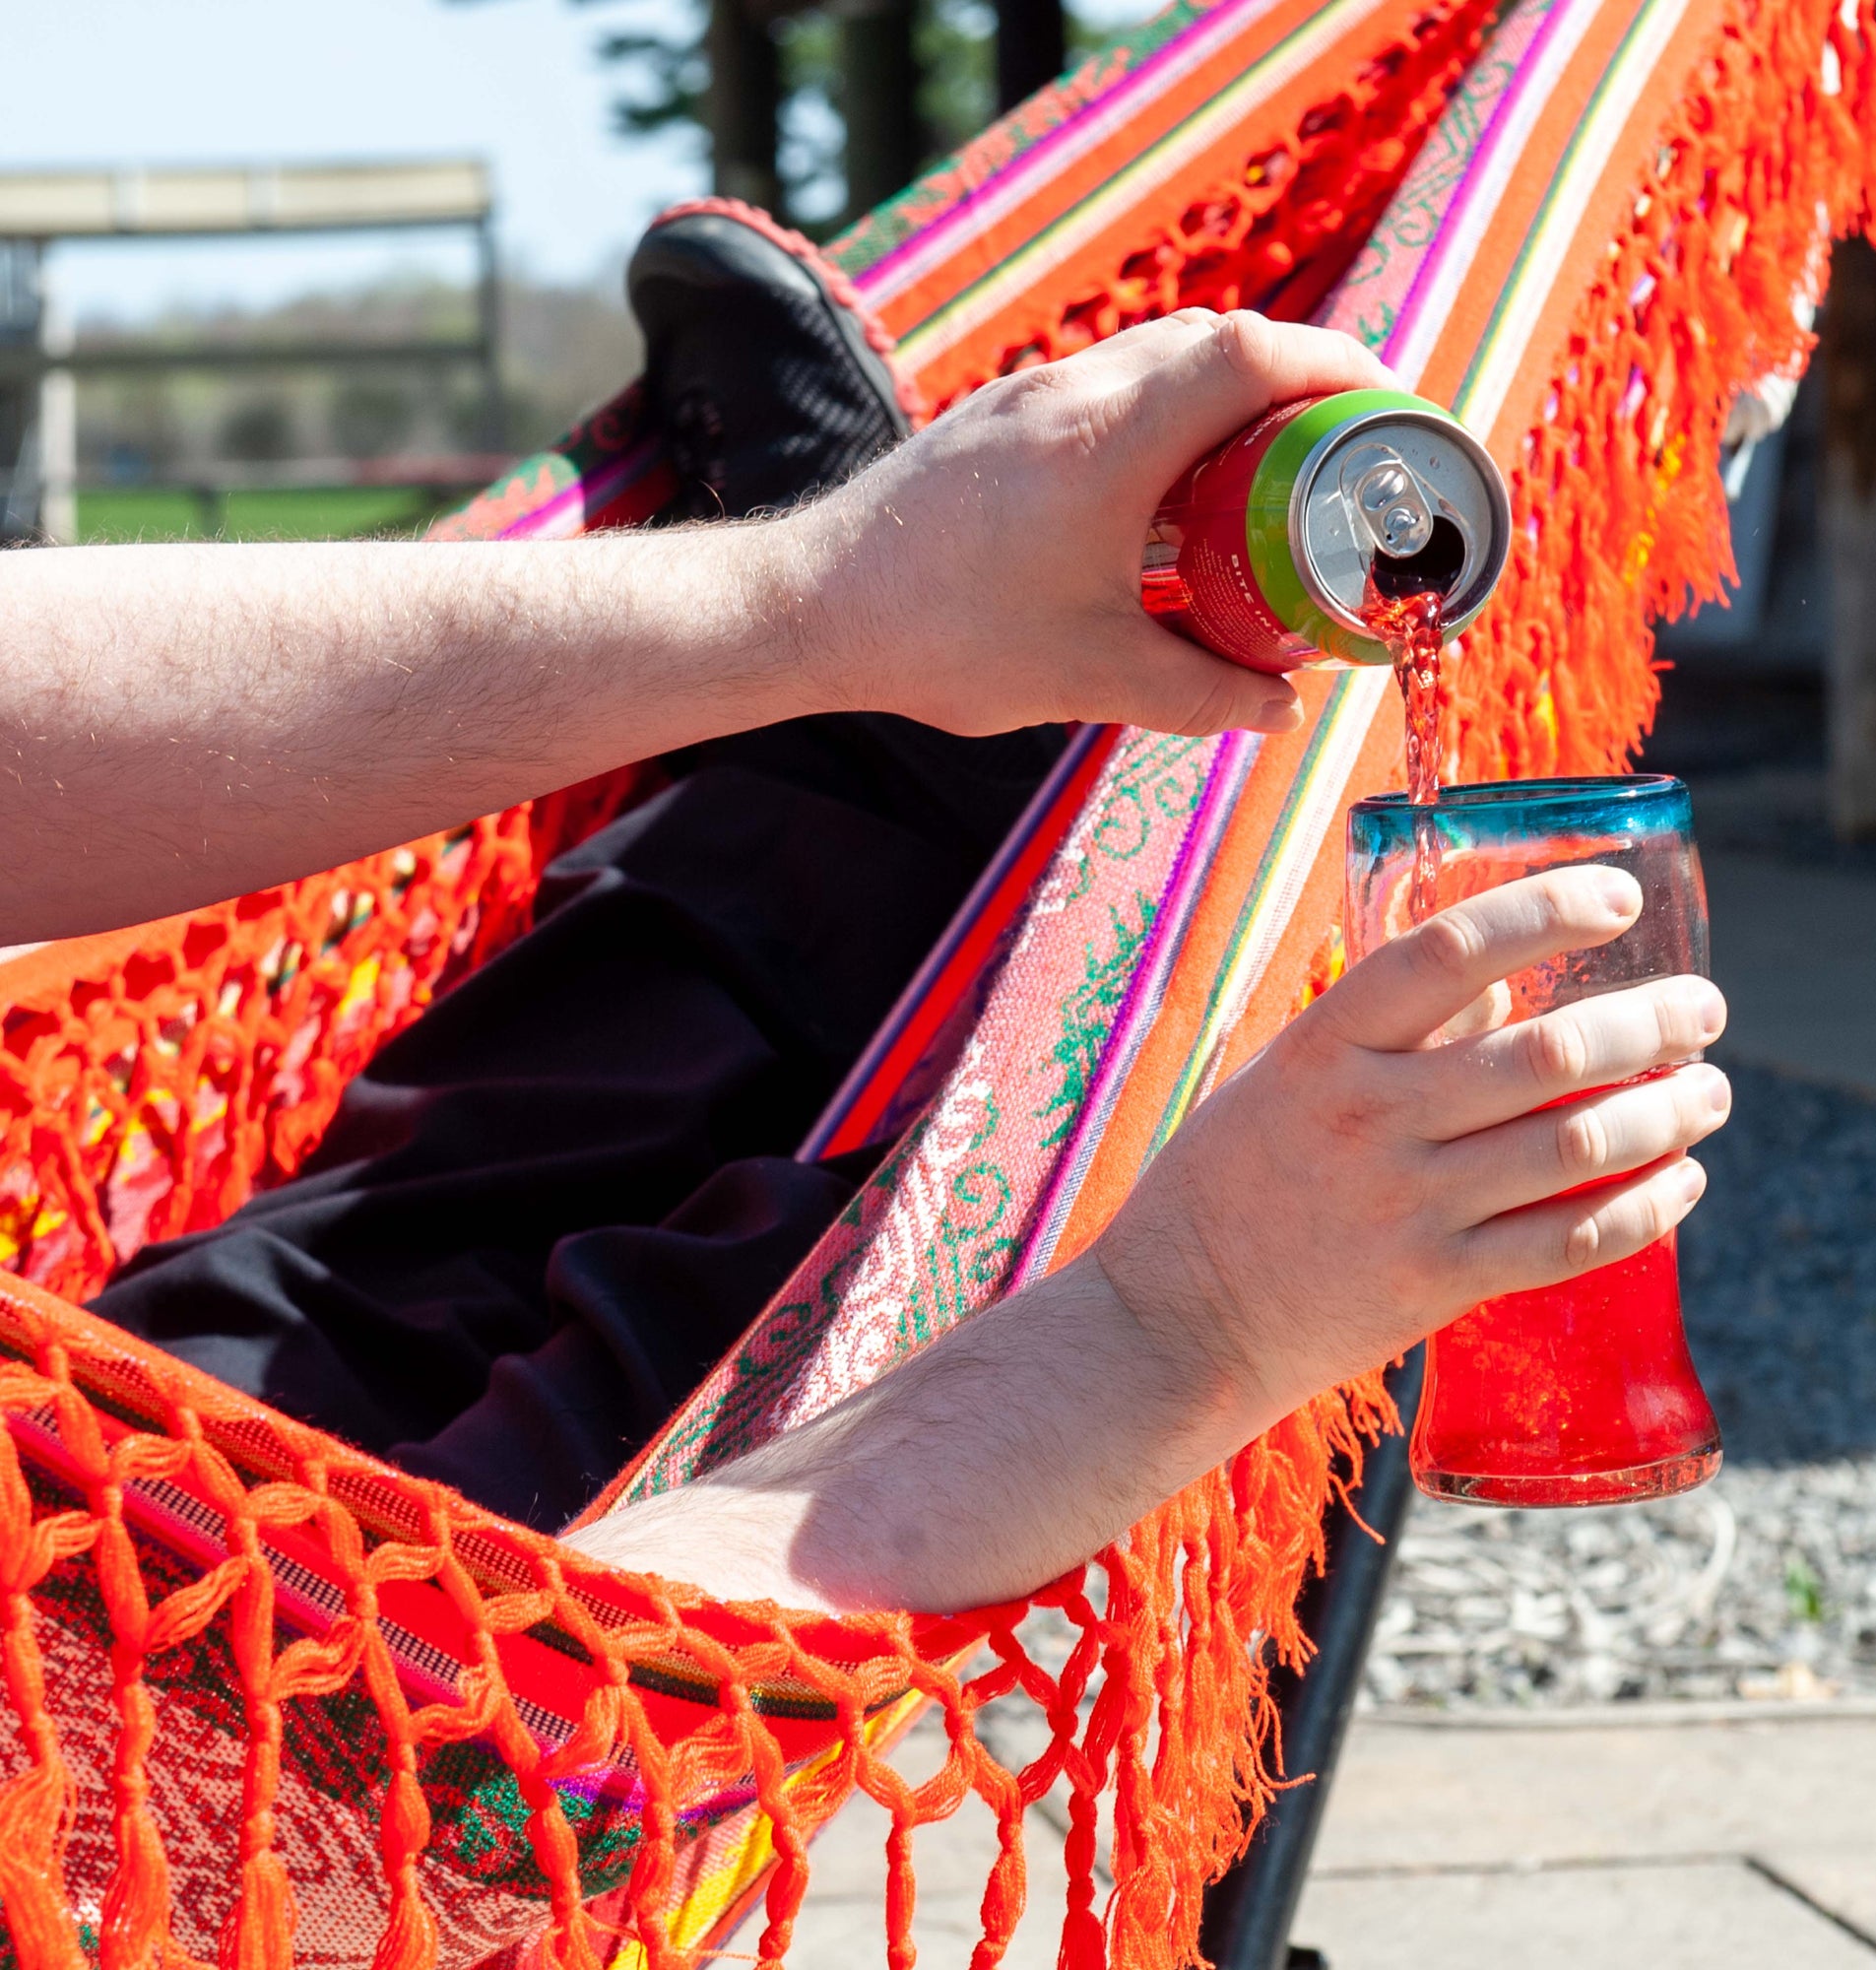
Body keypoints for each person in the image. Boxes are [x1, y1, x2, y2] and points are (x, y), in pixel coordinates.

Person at [0, 212, 1730, 1617]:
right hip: (186, 1649)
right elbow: (463, 1751)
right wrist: (1182, 1317)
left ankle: (857, 759)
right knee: (510, 1411)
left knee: (331, 1279)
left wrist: (821, 592)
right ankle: (880, 826)